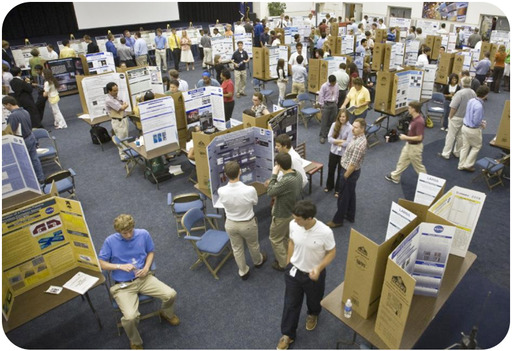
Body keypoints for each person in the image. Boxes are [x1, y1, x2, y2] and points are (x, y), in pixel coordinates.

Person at [98, 214, 179, 350]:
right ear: (118, 231)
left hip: (144, 278)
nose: (129, 235)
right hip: (123, 286)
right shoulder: (110, 241)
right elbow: (101, 263)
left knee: (171, 294)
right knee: (130, 318)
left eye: (131, 231)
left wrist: (147, 268)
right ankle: (135, 341)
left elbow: (150, 252)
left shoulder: (143, 234)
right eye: (125, 233)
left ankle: (166, 313)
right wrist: (119, 266)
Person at [276, 200, 336, 351]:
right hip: (294, 272)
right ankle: (287, 335)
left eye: (298, 219)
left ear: (309, 218)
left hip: (314, 275)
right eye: (294, 217)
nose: (294, 221)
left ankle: (313, 314)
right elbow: (291, 242)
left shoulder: (325, 232)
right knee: (290, 304)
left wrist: (319, 268)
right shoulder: (293, 225)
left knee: (315, 300)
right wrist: (289, 262)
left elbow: (332, 252)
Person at [217, 161, 267, 280]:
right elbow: (255, 202)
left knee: (237, 248)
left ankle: (243, 271)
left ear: (226, 174)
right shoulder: (249, 190)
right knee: (253, 245)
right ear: (240, 171)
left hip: (230, 224)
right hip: (247, 223)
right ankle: (258, 261)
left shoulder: (221, 191)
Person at [327, 118, 367, 228]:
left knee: (343, 198)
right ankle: (350, 215)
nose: (352, 129)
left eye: (356, 127)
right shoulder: (356, 137)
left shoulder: (360, 144)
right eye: (353, 126)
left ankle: (337, 220)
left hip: (349, 173)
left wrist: (345, 176)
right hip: (350, 172)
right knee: (350, 194)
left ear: (362, 129)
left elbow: (353, 164)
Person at [265, 152, 303, 271]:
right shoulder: (297, 175)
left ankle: (283, 264)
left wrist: (274, 175)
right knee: (286, 237)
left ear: (279, 165)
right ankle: (288, 256)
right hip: (292, 211)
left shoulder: (286, 181)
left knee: (275, 239)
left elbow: (270, 192)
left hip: (282, 214)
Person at [2, 95, 45, 183]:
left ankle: (31, 182)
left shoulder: (13, 116)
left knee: (25, 162)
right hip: (31, 137)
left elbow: (12, 130)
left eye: (5, 106)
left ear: (9, 104)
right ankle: (41, 178)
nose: (5, 108)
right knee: (35, 159)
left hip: (23, 141)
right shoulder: (25, 111)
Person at [385, 101, 427, 184]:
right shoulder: (414, 119)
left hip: (415, 148)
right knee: (402, 161)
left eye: (409, 108)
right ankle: (395, 177)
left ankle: (426, 182)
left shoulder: (419, 121)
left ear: (414, 109)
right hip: (409, 145)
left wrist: (406, 137)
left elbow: (419, 137)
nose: (408, 109)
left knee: (418, 166)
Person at [439, 76, 476, 160]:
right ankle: (457, 152)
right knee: (460, 136)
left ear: (461, 83)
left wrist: (450, 117)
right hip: (466, 118)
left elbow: (453, 107)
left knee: (450, 136)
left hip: (456, 117)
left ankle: (446, 153)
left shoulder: (460, 93)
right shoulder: (473, 93)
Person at [458, 85, 490, 172]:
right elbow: (476, 122)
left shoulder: (471, 100)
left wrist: (480, 121)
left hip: (464, 126)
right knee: (477, 146)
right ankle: (468, 165)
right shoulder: (479, 106)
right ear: (486, 95)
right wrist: (482, 123)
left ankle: (461, 165)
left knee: (465, 146)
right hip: (473, 130)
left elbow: (470, 114)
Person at [325, 108, 353, 196]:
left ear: (347, 117)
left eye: (344, 117)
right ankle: (329, 186)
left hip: (343, 154)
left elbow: (348, 143)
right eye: (340, 116)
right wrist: (341, 141)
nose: (342, 118)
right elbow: (329, 138)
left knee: (340, 172)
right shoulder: (334, 125)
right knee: (331, 169)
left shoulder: (350, 128)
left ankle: (338, 189)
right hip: (333, 152)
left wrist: (336, 141)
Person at [105, 82, 130, 161]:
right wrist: (124, 106)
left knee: (125, 137)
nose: (116, 92)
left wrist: (124, 106)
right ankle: (123, 156)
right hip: (118, 122)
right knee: (121, 139)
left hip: (123, 119)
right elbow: (121, 108)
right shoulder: (109, 100)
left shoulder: (116, 96)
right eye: (114, 91)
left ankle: (127, 153)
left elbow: (124, 105)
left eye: (117, 90)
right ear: (109, 91)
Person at [318, 75, 339, 144]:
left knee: (333, 120)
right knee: (324, 120)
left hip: (334, 104)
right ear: (330, 82)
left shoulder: (336, 85)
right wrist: (322, 105)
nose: (334, 84)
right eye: (332, 83)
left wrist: (336, 102)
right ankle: (323, 136)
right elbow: (321, 95)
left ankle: (330, 134)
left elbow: (337, 93)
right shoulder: (324, 86)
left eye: (334, 83)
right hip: (326, 104)